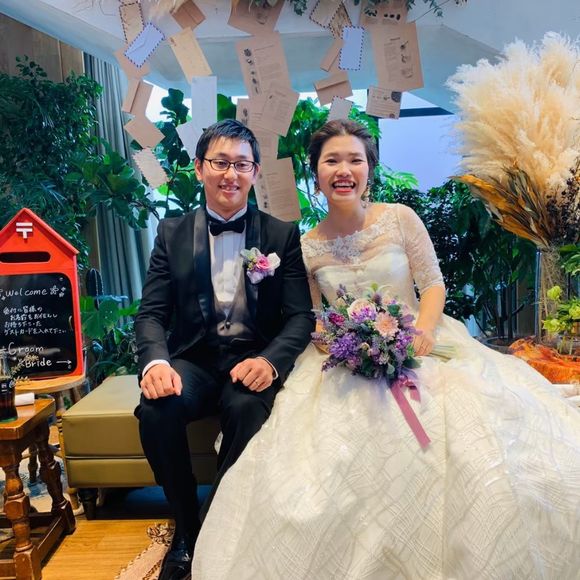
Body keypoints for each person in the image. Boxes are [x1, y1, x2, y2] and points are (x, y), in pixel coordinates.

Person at [191, 119, 580, 579]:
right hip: (344, 357)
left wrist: (423, 332)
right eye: (331, 160)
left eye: (354, 160)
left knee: (472, 435)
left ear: (369, 168)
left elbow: (432, 284)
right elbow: (313, 316)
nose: (343, 170)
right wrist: (349, 343)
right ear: (316, 172)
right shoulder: (307, 245)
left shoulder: (400, 218)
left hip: (422, 342)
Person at [134, 119, 315, 580]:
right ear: (199, 168)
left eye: (242, 164)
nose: (231, 174)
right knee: (156, 410)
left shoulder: (281, 235)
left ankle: (221, 522)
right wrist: (156, 362)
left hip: (251, 359)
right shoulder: (171, 233)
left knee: (248, 408)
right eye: (220, 163)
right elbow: (151, 313)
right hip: (194, 361)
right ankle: (186, 528)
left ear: (255, 172)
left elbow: (300, 316)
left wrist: (270, 361)